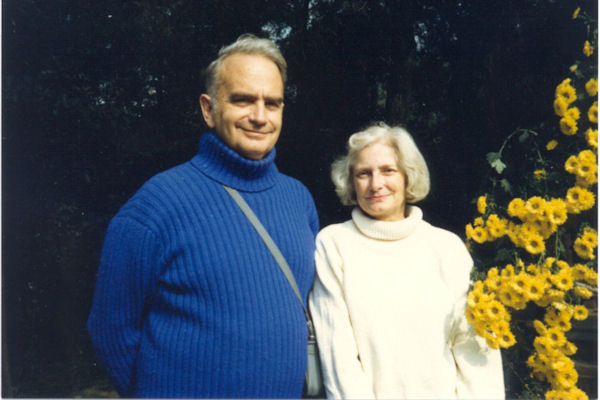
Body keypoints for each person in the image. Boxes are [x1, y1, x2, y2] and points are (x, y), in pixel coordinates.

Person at [87, 34, 319, 398]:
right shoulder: (156, 205)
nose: (259, 116)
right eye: (243, 100)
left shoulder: (299, 199)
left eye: (271, 104)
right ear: (208, 109)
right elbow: (110, 328)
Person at [308, 122, 505, 399]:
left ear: (407, 176)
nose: (376, 184)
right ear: (351, 182)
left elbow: (474, 350)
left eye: (388, 170)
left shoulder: (447, 248)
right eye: (364, 173)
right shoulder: (334, 244)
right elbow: (337, 355)